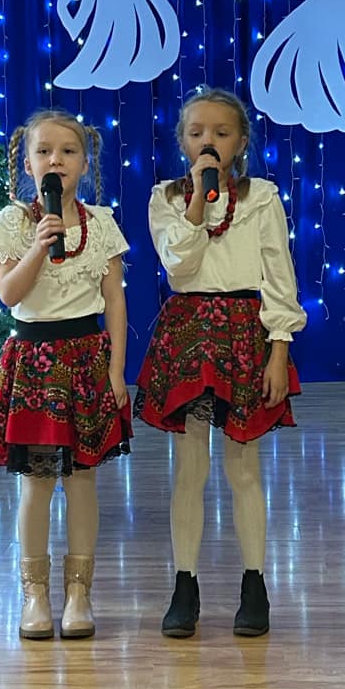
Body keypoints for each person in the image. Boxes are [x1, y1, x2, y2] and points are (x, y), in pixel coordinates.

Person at [137, 88, 304, 639]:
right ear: (183, 141)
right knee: (190, 468)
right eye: (197, 132)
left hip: (243, 331)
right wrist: (195, 204)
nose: (208, 140)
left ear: (242, 141)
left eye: (221, 132)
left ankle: (254, 585)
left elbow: (278, 273)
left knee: (244, 467)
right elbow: (178, 265)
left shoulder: (261, 197)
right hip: (189, 331)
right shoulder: (165, 198)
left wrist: (278, 349)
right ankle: (184, 585)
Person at [0, 110, 130, 640]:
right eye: (43, 151)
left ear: (84, 163)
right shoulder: (13, 223)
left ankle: (79, 592)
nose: (55, 160)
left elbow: (114, 302)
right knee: (35, 484)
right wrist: (39, 244)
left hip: (85, 361)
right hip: (34, 362)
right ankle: (34, 593)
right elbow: (10, 294)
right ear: (27, 164)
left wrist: (116, 371)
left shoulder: (100, 223)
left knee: (82, 481)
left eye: (67, 151)